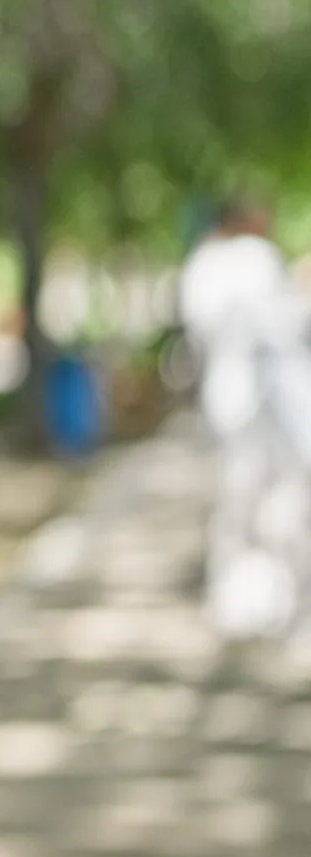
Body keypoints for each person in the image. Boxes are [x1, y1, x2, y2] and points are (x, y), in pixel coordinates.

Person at [179, 199, 311, 640]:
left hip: (233, 403)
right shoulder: (255, 260)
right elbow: (285, 326)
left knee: (242, 502)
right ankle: (268, 598)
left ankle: (245, 597)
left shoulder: (202, 266)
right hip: (261, 405)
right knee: (269, 500)